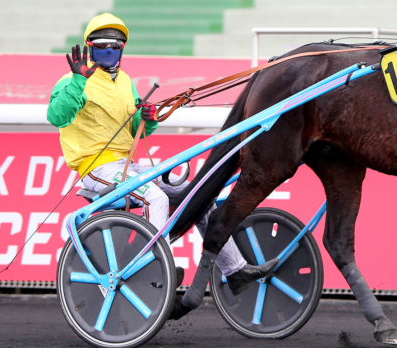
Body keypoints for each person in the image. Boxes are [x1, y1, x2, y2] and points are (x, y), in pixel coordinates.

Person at [47, 12, 275, 295]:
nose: (108, 51)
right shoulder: (71, 81)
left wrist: (148, 117)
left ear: (122, 50)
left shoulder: (124, 80)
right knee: (155, 197)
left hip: (127, 165)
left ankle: (236, 270)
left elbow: (132, 130)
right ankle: (158, 266)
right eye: (102, 45)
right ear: (89, 47)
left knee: (197, 195)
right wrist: (78, 82)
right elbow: (57, 116)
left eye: (115, 46)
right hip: (97, 168)